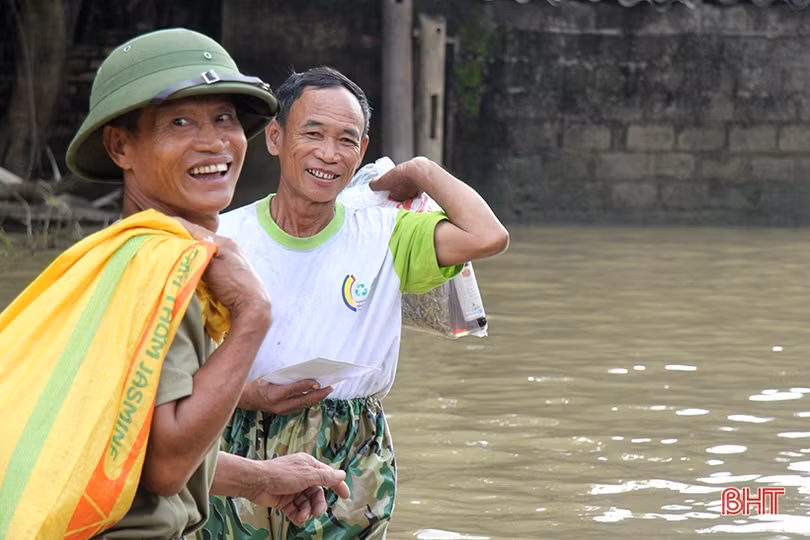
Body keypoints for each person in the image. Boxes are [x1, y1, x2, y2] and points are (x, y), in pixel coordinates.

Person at [0, 29, 349, 540]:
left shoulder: (113, 256)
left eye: (224, 119)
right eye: (179, 122)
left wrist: (260, 478)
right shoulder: (166, 266)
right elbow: (165, 468)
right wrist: (253, 317)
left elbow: (128, 448)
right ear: (121, 146)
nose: (213, 141)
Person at [207, 66, 510, 538]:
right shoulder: (222, 235)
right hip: (237, 434)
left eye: (347, 140)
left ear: (362, 151)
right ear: (274, 137)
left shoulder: (386, 231)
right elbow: (177, 374)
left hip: (351, 442)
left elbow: (488, 236)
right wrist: (248, 394)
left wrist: (421, 171)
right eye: (312, 134)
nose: (328, 154)